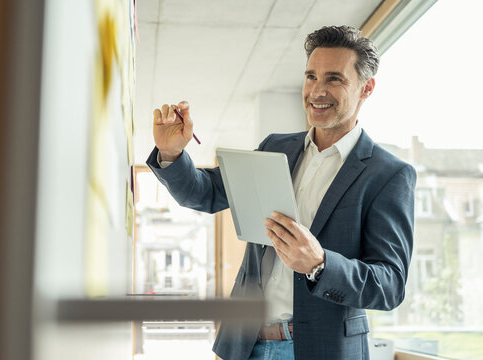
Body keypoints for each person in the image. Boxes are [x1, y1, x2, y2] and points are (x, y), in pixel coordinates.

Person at [146, 25, 416, 360]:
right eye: (311, 76)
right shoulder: (275, 147)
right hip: (244, 344)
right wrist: (171, 155)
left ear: (366, 88)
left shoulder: (388, 174)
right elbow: (206, 194)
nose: (316, 91)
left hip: (321, 349)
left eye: (334, 79)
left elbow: (389, 285)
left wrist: (319, 263)